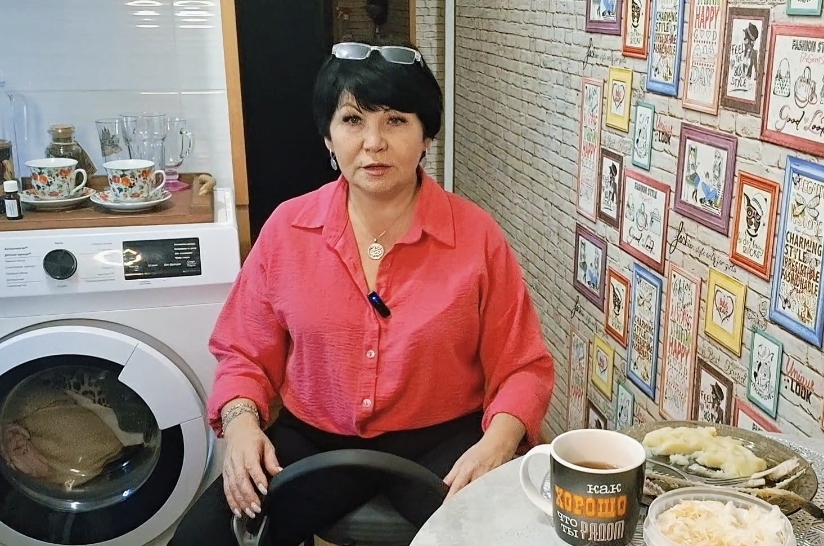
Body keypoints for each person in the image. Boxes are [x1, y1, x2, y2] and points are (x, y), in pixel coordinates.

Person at [168, 39, 554, 546]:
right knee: (203, 538)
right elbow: (243, 353)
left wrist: (498, 444)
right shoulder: (287, 229)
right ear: (328, 137)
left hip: (445, 441)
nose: (373, 143)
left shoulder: (476, 236)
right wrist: (242, 427)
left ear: (426, 137)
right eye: (352, 120)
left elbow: (523, 366)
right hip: (313, 439)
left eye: (395, 120)